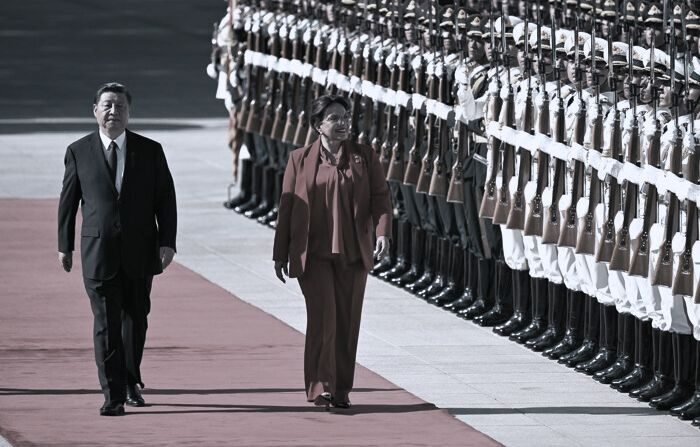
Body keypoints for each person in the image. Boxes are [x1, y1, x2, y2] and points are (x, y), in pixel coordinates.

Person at [57, 82, 177, 416]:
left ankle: (129, 380)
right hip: (98, 253)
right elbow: (68, 202)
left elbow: (165, 199)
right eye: (107, 105)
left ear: (129, 112)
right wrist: (64, 245)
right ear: (95, 110)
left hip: (141, 251)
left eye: (120, 106)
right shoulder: (79, 151)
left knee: (135, 320)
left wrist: (168, 241)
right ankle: (112, 395)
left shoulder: (149, 150)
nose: (114, 112)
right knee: (106, 324)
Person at [272, 94, 392, 408]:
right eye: (334, 118)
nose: (342, 124)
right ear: (317, 126)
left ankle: (341, 390)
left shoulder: (364, 156)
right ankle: (319, 386)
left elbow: (380, 198)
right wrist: (280, 253)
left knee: (347, 323)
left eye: (345, 117)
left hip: (352, 254)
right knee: (323, 319)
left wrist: (382, 233)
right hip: (312, 255)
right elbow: (287, 206)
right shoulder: (299, 158)